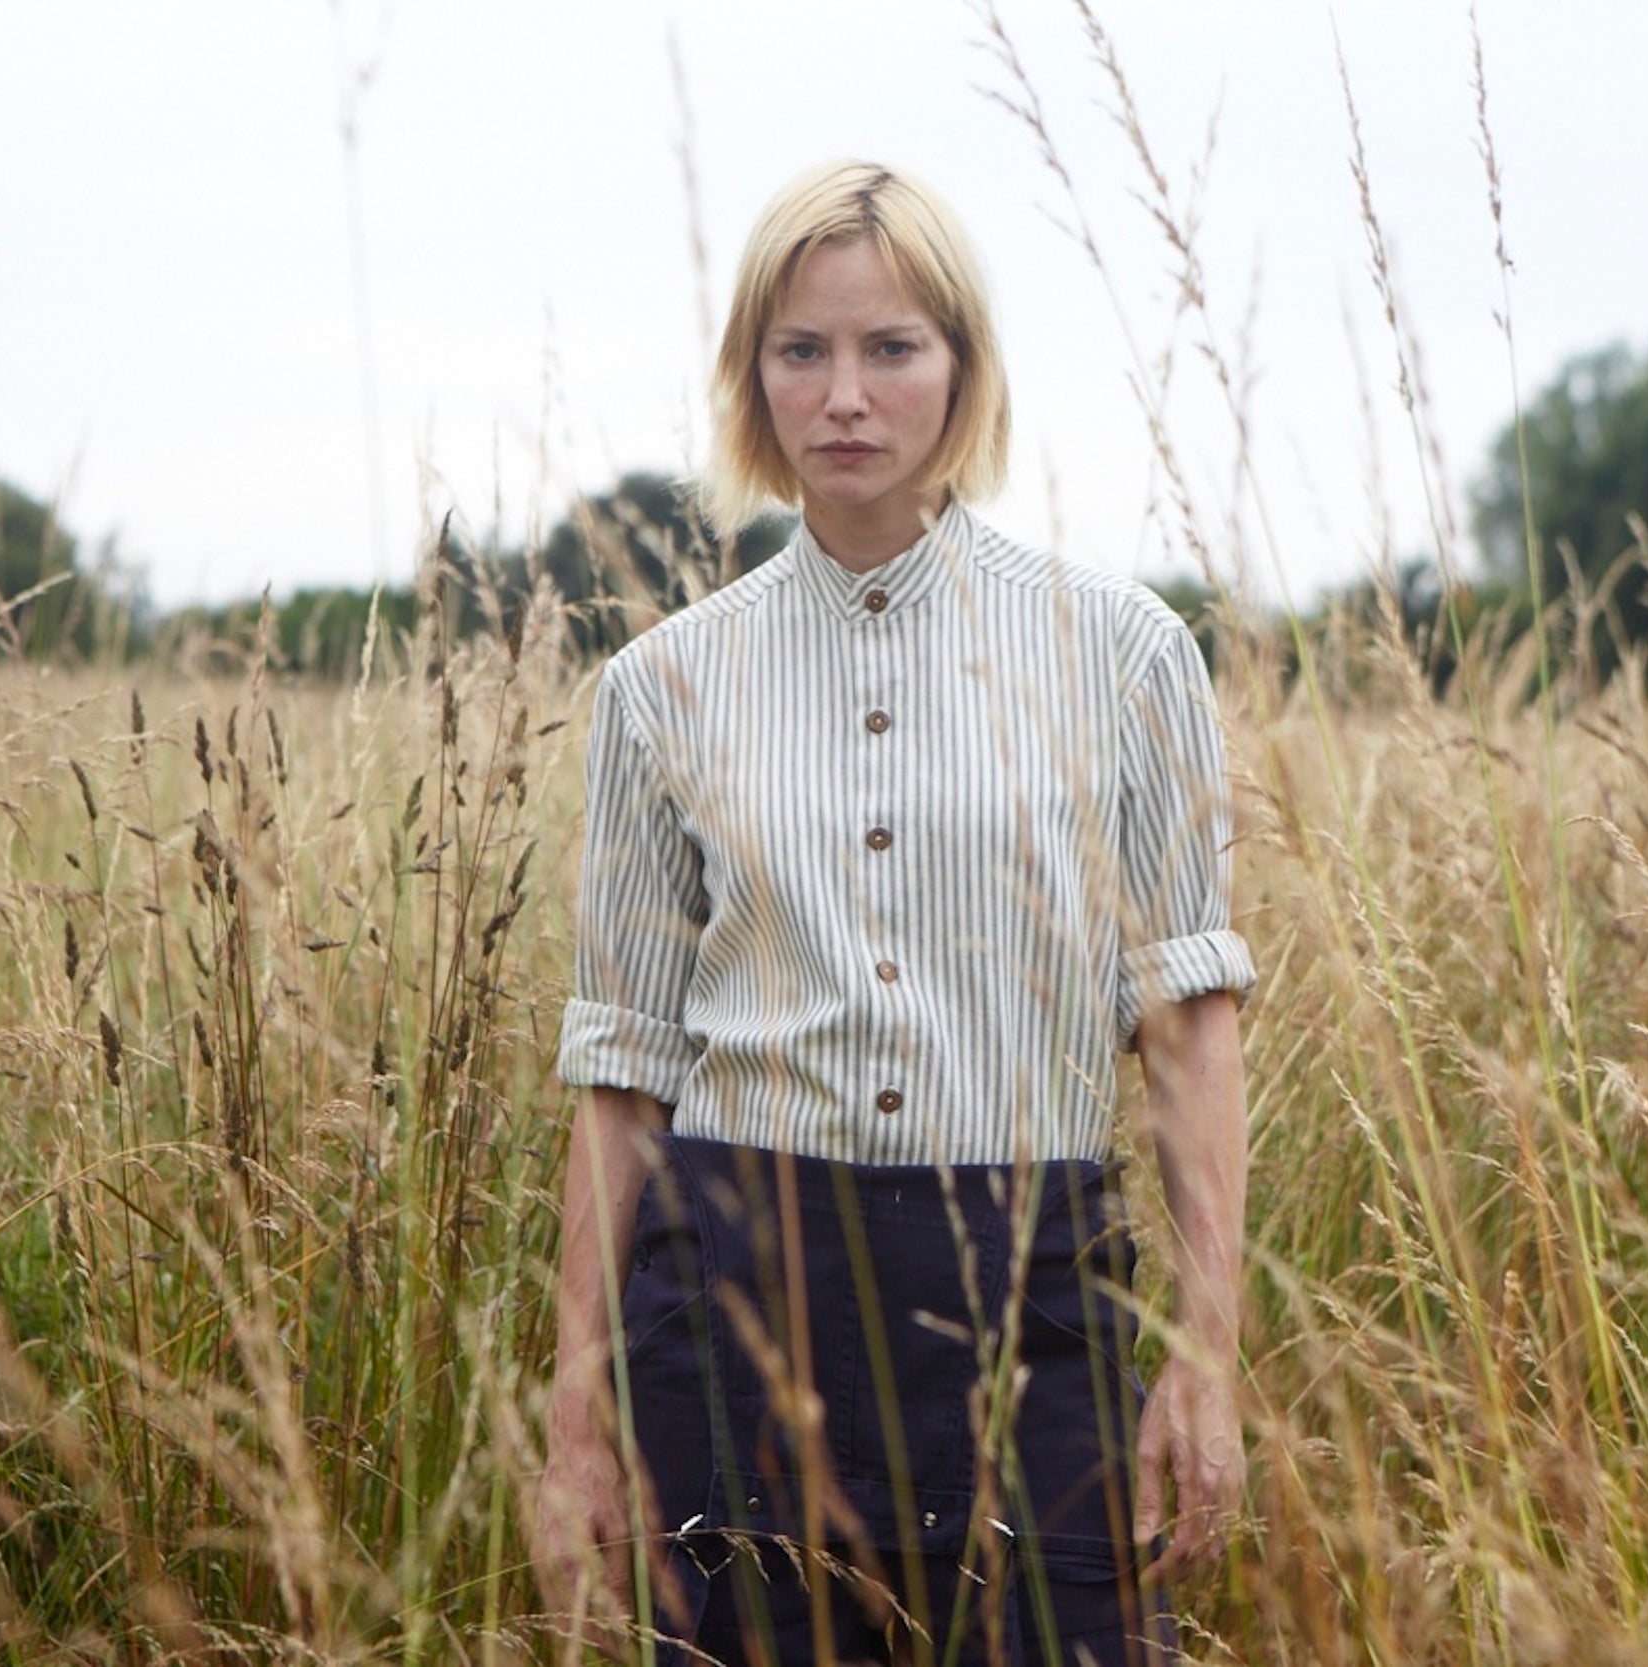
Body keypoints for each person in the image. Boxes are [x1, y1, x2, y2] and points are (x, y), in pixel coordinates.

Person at [533, 159, 1253, 1666]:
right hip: (733, 1313)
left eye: (891, 348)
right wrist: (578, 1417)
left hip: (1031, 1300)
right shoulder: (662, 687)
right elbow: (623, 1071)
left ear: (963, 367)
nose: (845, 395)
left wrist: (1206, 1358)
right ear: (753, 378)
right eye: (801, 350)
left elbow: (1189, 1034)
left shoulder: (1125, 654)